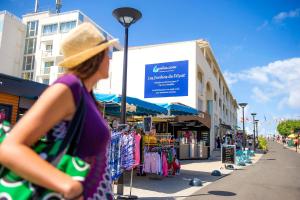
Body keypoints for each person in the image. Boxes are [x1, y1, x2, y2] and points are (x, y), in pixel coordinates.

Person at [0, 23, 118, 199]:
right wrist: (68, 186)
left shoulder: (86, 95)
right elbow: (9, 148)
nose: (110, 59)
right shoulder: (69, 87)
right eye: (106, 53)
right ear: (96, 57)